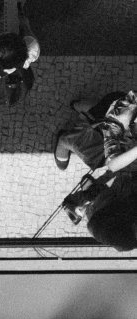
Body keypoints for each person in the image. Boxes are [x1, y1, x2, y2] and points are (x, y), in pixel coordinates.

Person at [54, 90, 137, 250]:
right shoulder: (122, 116)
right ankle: (65, 139)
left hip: (108, 216)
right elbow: (114, 164)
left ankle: (79, 107)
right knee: (95, 154)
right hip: (109, 116)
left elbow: (115, 165)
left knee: (101, 163)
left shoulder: (120, 225)